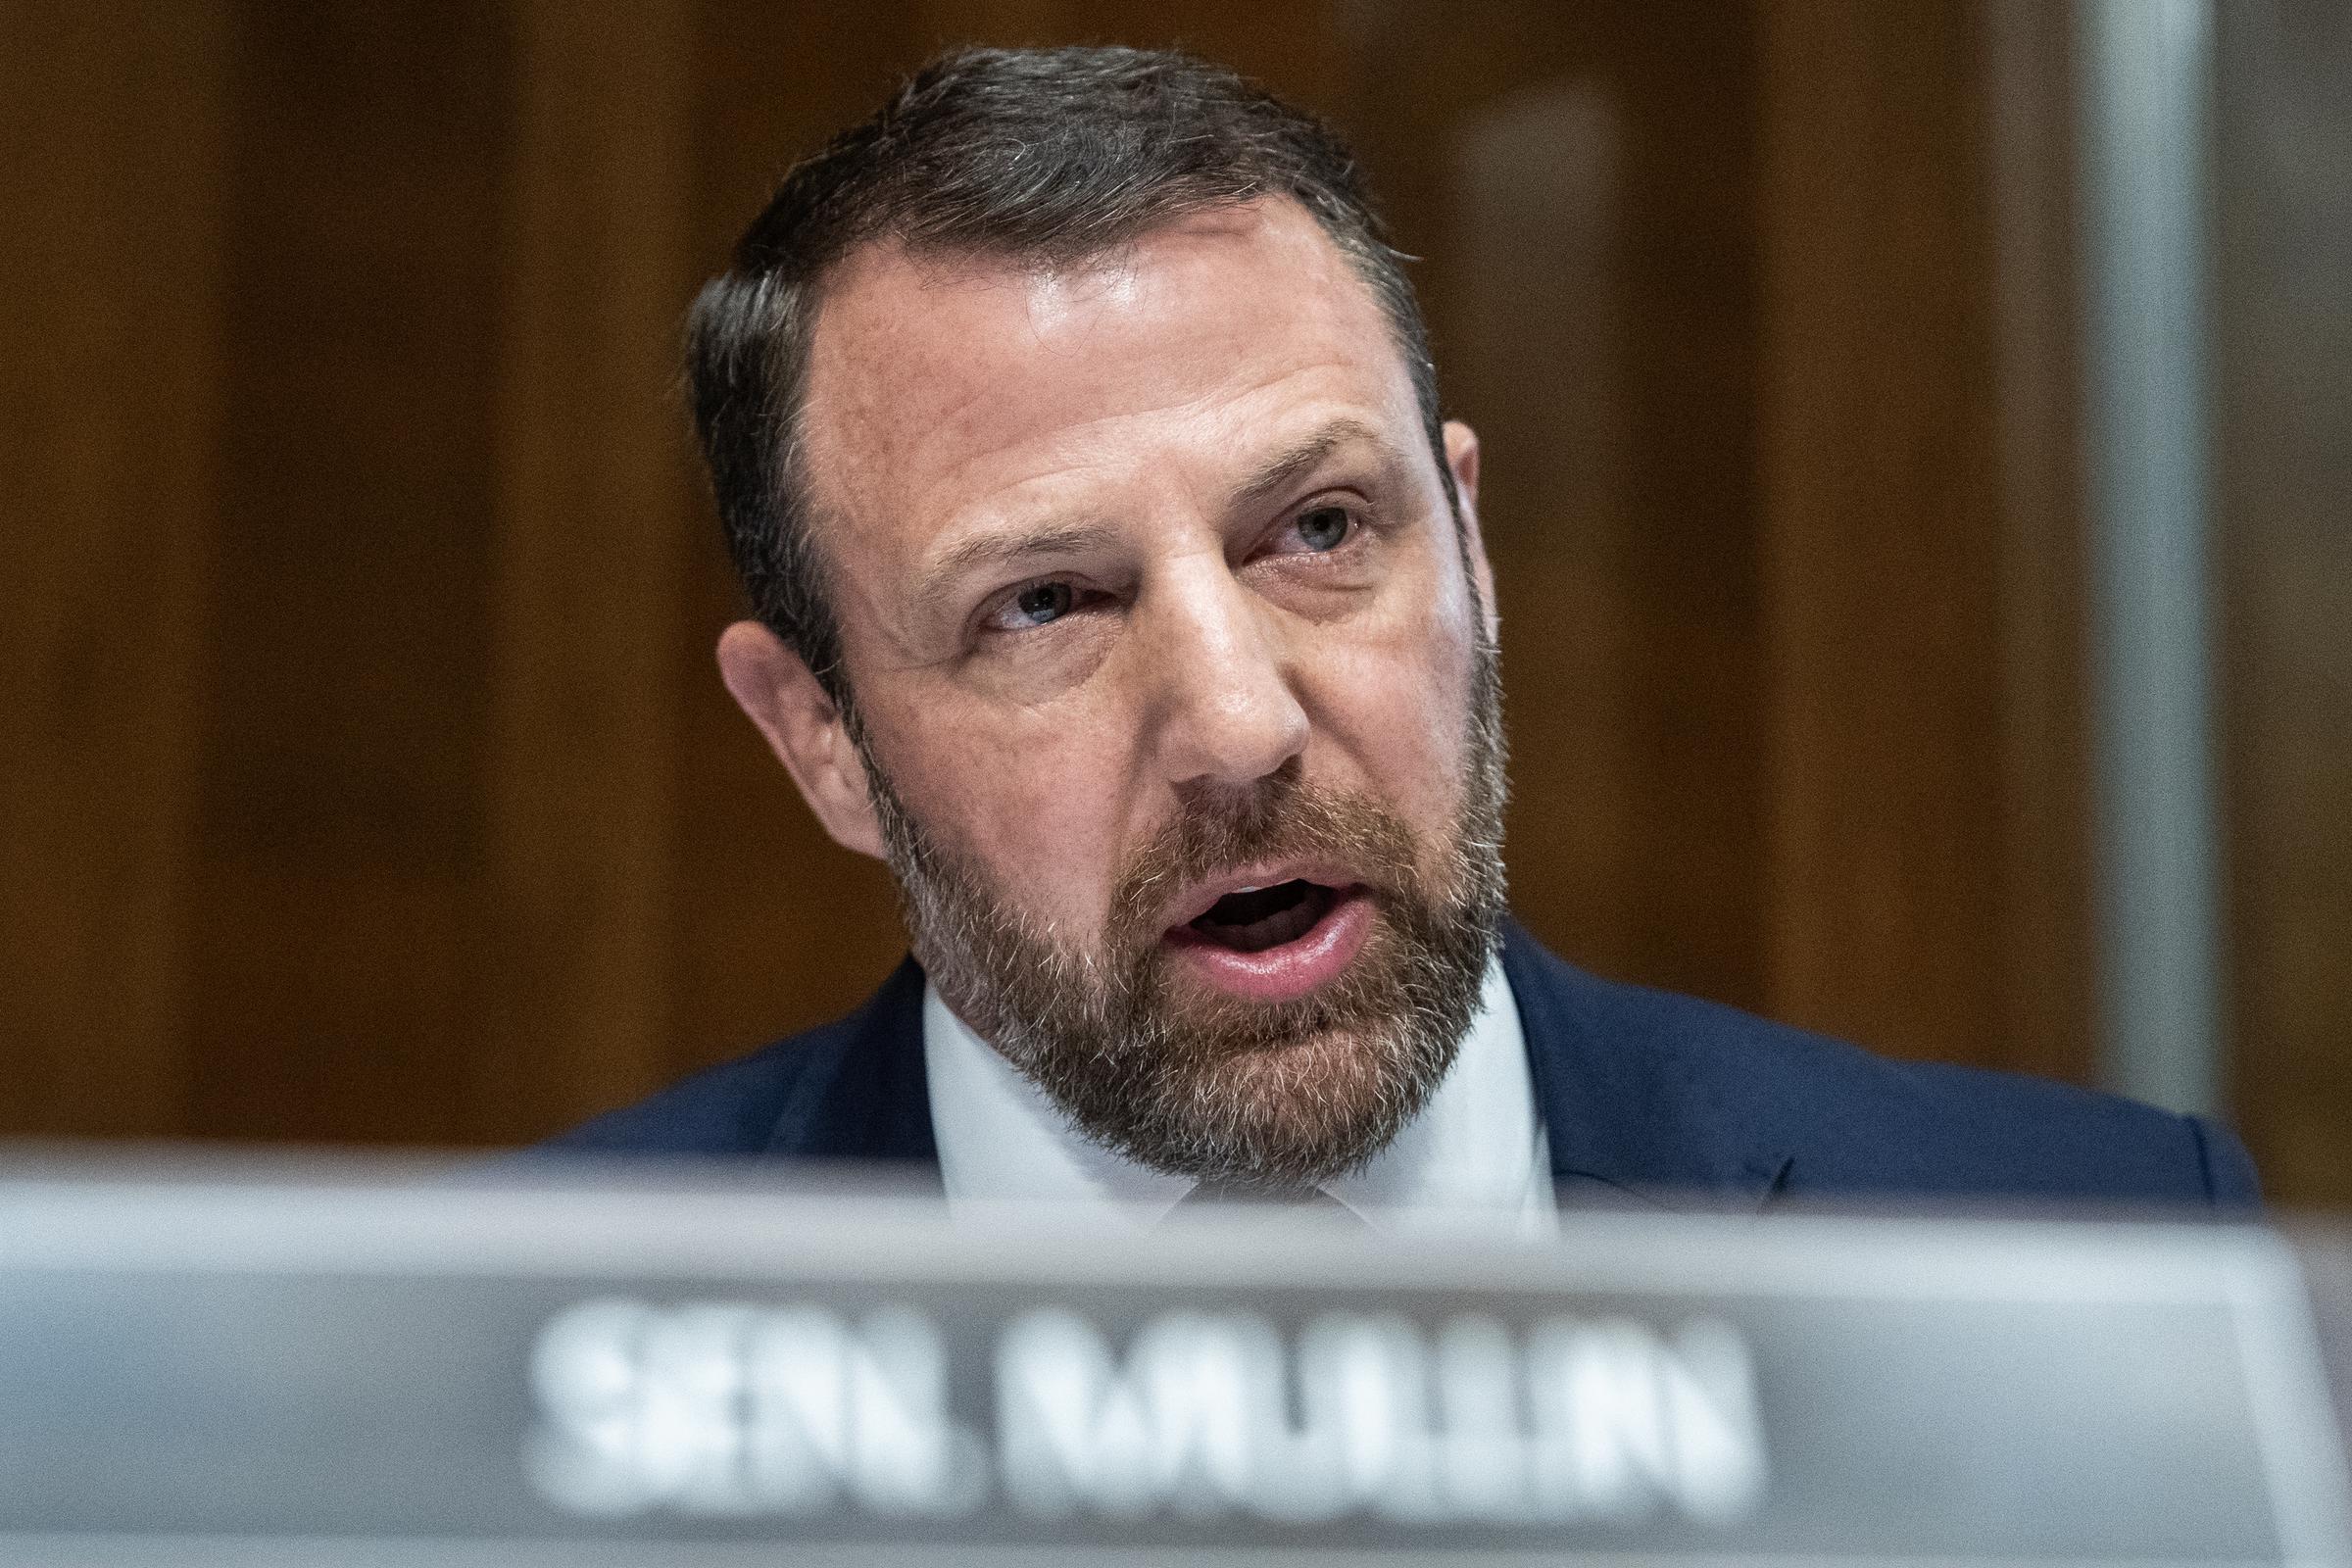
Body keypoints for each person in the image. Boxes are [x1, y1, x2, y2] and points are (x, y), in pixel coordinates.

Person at [549, 45, 2257, 1225]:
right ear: (821, 738)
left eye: (1317, 530)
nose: (1239, 726)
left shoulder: (2096, 1255)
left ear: (1471, 546)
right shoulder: (509, 1370)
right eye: (1044, 604)